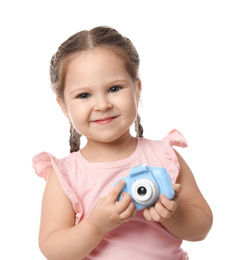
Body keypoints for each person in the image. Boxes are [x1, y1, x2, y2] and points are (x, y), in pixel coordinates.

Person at [32, 26, 213, 260]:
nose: (102, 104)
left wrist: (171, 214)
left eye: (114, 88)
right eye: (84, 95)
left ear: (137, 89)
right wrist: (96, 225)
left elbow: (202, 227)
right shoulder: (66, 174)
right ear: (64, 107)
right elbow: (52, 249)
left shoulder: (164, 157)